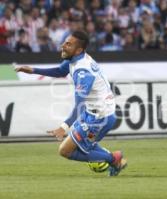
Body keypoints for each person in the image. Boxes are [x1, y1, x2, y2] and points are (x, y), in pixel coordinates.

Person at [15, 30, 127, 176]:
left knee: (65, 151)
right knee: (83, 147)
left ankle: (113, 158)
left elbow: (78, 107)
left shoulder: (83, 72)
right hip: (93, 112)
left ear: (78, 49)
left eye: (68, 44)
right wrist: (33, 70)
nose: (63, 45)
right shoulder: (75, 59)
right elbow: (60, 71)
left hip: (100, 117)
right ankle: (114, 159)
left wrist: (64, 127)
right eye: (65, 42)